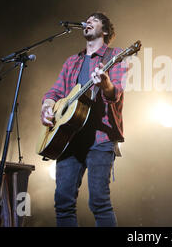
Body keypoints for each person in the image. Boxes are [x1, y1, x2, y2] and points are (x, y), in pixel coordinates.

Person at [40, 12, 127, 227]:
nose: (87, 22)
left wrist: (104, 82)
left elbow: (115, 93)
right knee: (63, 203)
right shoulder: (72, 61)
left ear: (105, 31)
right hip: (69, 139)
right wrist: (47, 106)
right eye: (86, 21)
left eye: (93, 21)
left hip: (100, 138)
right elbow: (55, 92)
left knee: (99, 202)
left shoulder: (115, 56)